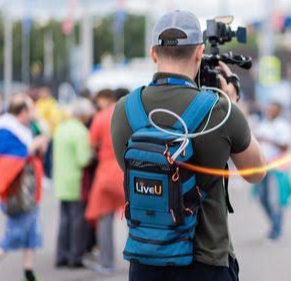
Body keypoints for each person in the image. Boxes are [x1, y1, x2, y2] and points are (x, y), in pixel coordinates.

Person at [111, 10, 265, 281]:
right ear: (199, 52)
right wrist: (230, 103)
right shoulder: (220, 111)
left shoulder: (124, 110)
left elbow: (129, 169)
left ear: (153, 53)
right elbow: (256, 172)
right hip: (206, 262)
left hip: (145, 262)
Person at [0, 94, 48, 281]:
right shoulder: (9, 129)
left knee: (31, 234)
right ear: (23, 111)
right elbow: (14, 158)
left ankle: (29, 272)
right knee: (13, 235)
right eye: (31, 109)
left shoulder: (15, 127)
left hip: (28, 191)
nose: (34, 113)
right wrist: (35, 144)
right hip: (19, 193)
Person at [85, 89, 124, 274]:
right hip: (126, 170)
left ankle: (107, 263)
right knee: (138, 217)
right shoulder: (125, 113)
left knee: (104, 217)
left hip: (106, 172)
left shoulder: (100, 117)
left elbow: (91, 144)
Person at [53, 98, 95, 268]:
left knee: (64, 220)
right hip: (75, 181)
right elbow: (83, 160)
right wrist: (93, 155)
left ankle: (60, 255)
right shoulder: (80, 132)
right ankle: (75, 257)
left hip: (61, 180)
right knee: (77, 221)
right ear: (83, 115)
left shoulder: (60, 129)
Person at [254, 102, 291, 241]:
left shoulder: (282, 126)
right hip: (261, 166)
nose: (269, 111)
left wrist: (267, 139)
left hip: (275, 168)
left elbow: (285, 146)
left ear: (279, 111)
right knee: (262, 198)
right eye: (268, 108)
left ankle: (276, 230)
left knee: (274, 200)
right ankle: (274, 223)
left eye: (273, 109)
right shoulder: (262, 124)